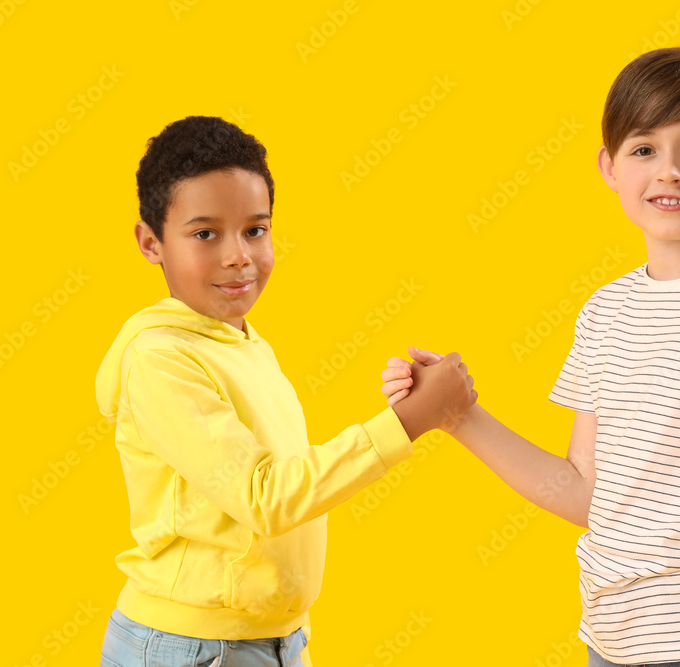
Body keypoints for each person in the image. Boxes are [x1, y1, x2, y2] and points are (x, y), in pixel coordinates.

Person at [381, 47, 680, 666]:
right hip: (610, 641)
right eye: (644, 149)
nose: (669, 172)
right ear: (609, 167)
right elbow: (586, 493)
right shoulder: (605, 312)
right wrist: (457, 416)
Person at [95, 115, 476, 667]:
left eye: (255, 229)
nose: (238, 255)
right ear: (150, 243)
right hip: (191, 649)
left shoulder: (243, 343)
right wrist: (408, 422)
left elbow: (287, 485)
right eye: (206, 233)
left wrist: (408, 406)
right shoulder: (160, 360)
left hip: (273, 640)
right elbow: (264, 497)